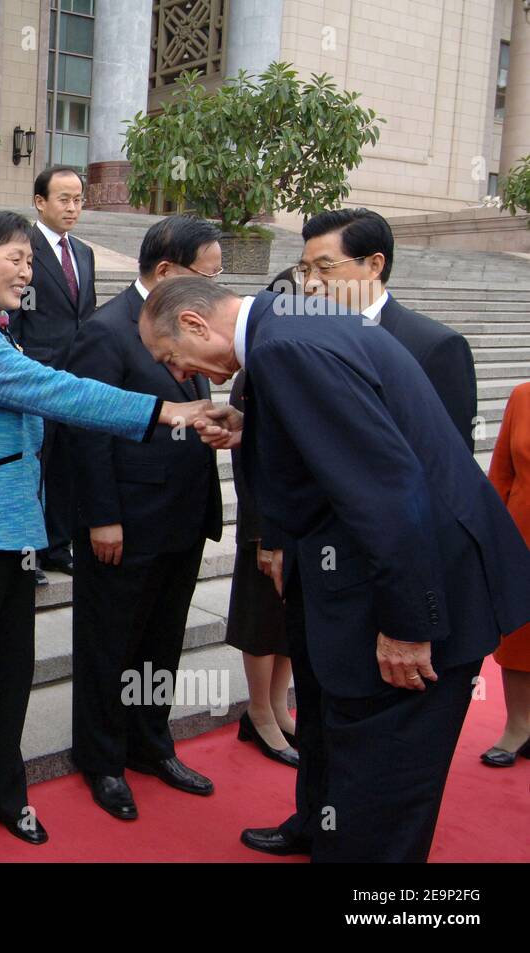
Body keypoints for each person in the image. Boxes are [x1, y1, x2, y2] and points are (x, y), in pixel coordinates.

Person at [143, 277, 530, 862]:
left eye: (172, 355)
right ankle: (319, 829)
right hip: (352, 583)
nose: (178, 373)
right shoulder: (288, 325)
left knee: (382, 792)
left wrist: (408, 624)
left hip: (416, 593)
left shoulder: (283, 348)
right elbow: (339, 440)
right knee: (333, 743)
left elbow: (385, 487)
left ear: (195, 323)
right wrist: (253, 430)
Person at [0, 211, 215, 863]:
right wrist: (164, 410)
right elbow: (54, 391)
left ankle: (2, 789)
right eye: (13, 258)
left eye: (29, 259)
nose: (26, 271)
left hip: (13, 528)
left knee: (11, 672)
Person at [63, 215, 224, 821]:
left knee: (161, 641)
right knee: (110, 644)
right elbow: (86, 429)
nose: (212, 289)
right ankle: (101, 759)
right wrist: (103, 517)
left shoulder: (190, 324)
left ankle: (150, 743)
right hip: (124, 520)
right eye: (204, 276)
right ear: (165, 272)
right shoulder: (106, 330)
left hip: (182, 513)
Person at [298, 208, 477, 451]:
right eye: (305, 270)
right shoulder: (303, 340)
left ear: (374, 265)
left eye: (325, 267)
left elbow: (451, 461)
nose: (311, 283)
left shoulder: (435, 347)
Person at [9, 167, 101, 578]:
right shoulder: (23, 250)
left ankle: (58, 544)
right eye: (63, 199)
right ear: (40, 202)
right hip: (38, 374)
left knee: (66, 463)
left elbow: (87, 315)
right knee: (35, 465)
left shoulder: (83, 252)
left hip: (77, 376)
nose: (72, 207)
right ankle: (27, 552)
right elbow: (16, 316)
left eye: (78, 199)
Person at [225, 267, 300, 769]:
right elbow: (250, 462)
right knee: (260, 618)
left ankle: (278, 704)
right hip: (264, 522)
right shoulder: (253, 373)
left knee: (290, 621)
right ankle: (258, 711)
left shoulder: (302, 362)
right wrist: (260, 531)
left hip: (301, 524)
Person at [484, 381, 530, 766]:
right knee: (517, 634)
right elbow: (501, 472)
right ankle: (518, 726)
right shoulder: (522, 396)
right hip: (522, 538)